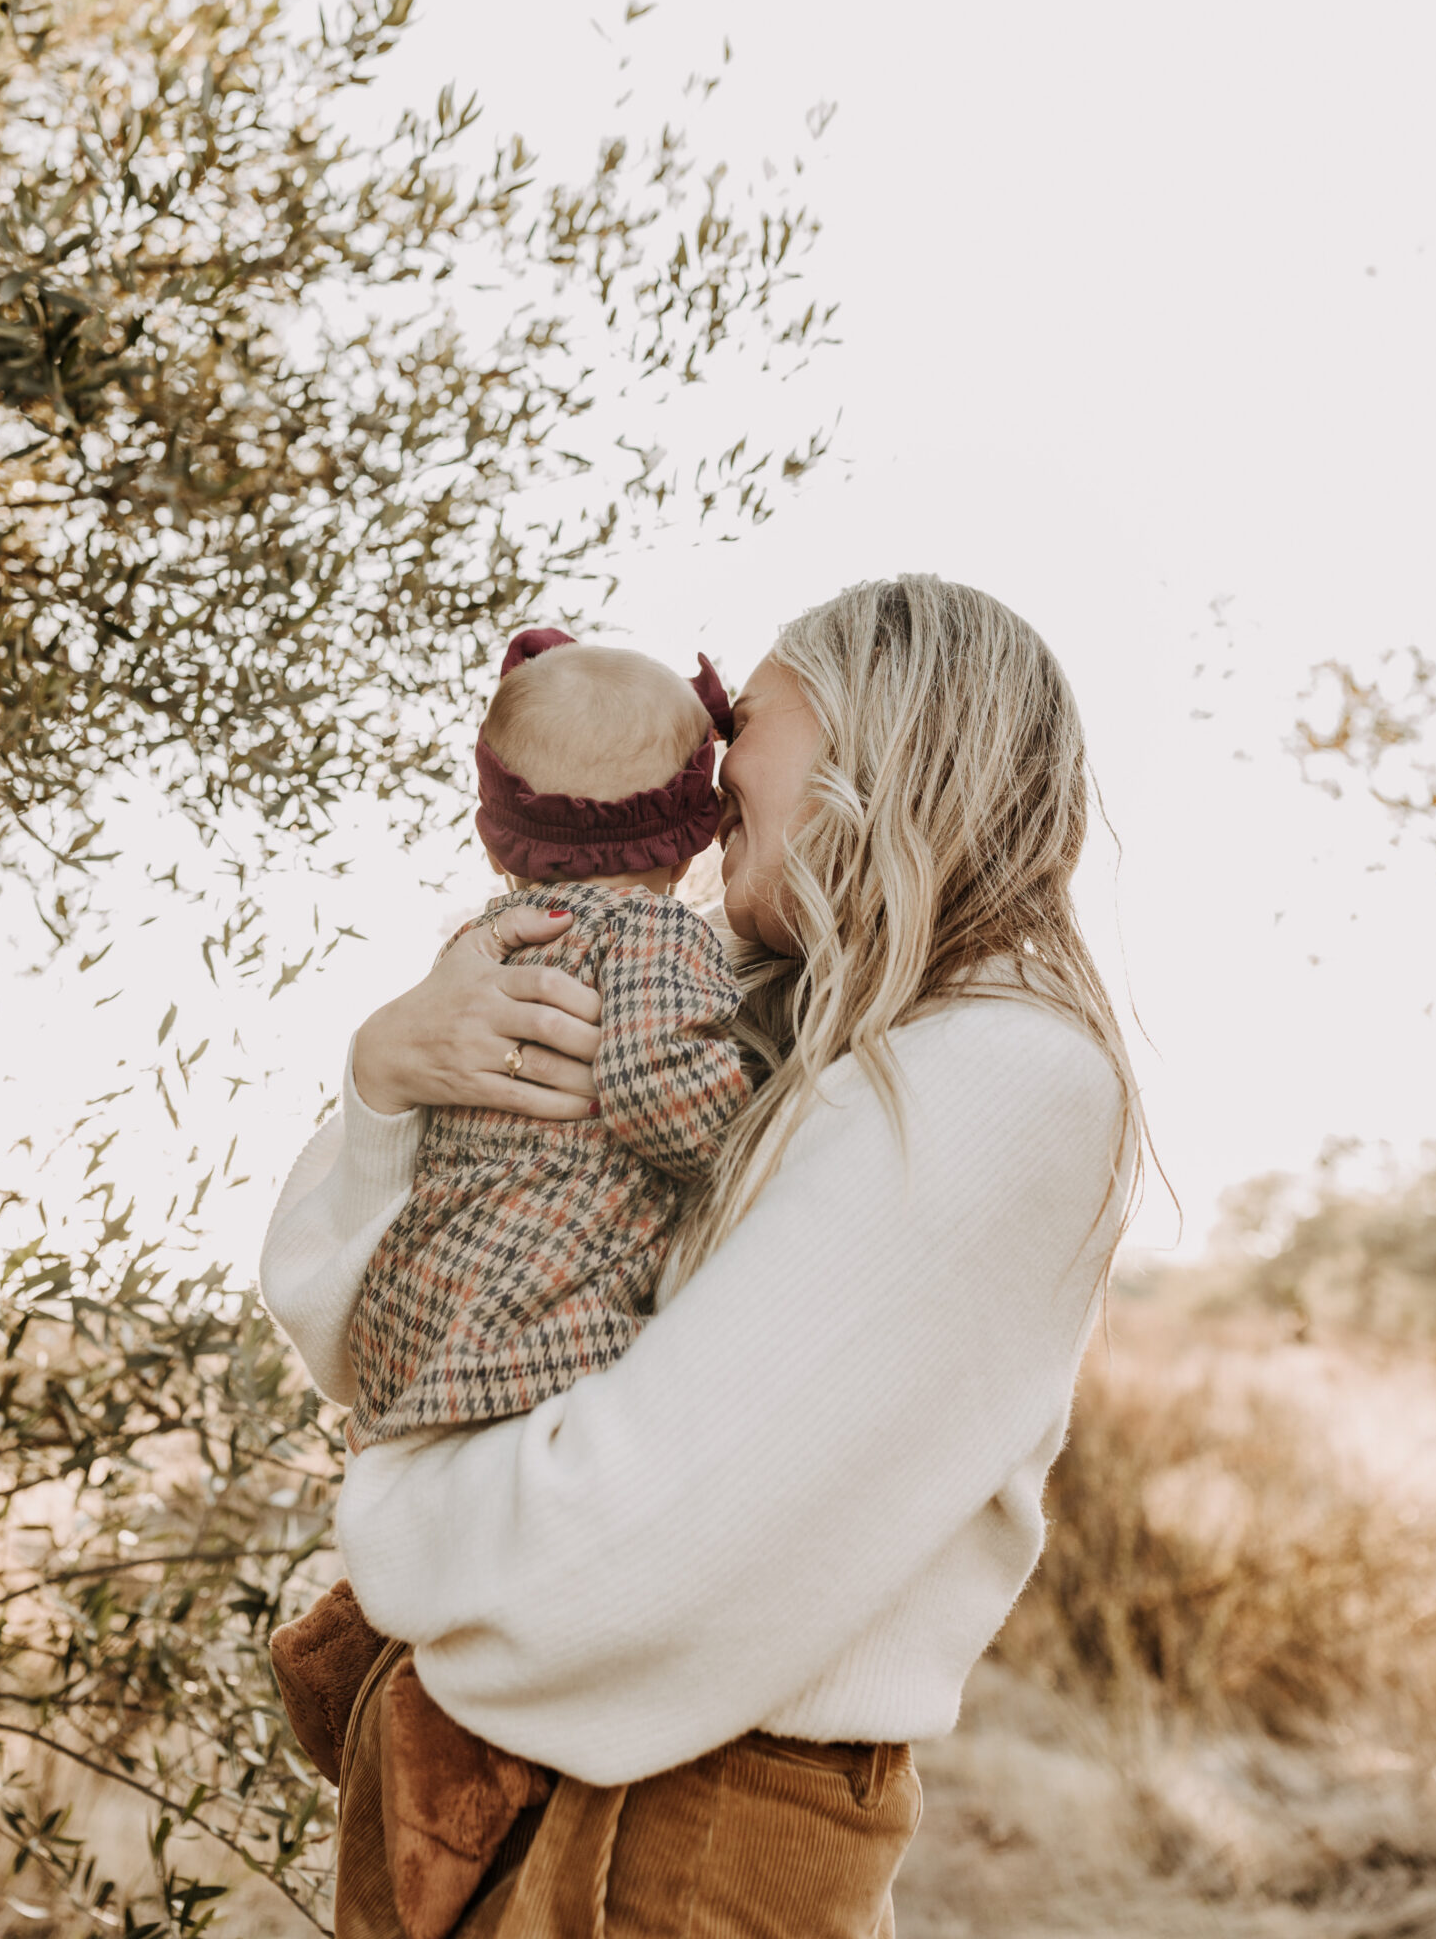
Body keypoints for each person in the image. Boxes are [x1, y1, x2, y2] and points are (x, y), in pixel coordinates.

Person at [261, 576, 1146, 1939]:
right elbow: (352, 1336)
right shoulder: (743, 1022)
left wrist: (394, 1531)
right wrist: (385, 1091)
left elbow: (611, 1573)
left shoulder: (996, 1075)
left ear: (874, 736)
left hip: (676, 1837)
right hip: (549, 1797)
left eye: (748, 710)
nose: (715, 747)